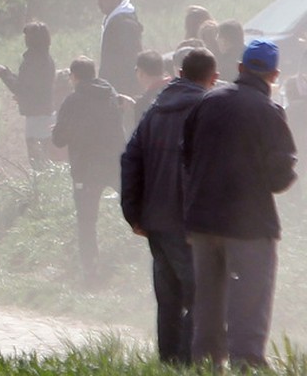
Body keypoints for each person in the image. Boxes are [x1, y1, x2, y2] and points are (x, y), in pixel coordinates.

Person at [182, 39, 298, 370]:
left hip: (203, 222)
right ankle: (245, 363)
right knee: (249, 297)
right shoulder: (269, 112)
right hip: (248, 224)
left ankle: (205, 363)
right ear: (274, 75)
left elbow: (186, 154)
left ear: (240, 68)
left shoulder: (207, 102)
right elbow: (280, 174)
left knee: (208, 298)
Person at [120, 46, 215, 366]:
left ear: (179, 73)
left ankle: (168, 363)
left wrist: (133, 214)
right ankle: (189, 363)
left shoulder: (156, 108)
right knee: (203, 295)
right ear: (211, 78)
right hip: (189, 223)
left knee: (169, 299)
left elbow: (130, 159)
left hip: (155, 221)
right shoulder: (206, 110)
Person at [51, 56, 126, 285]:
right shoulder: (111, 94)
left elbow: (58, 139)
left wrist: (58, 128)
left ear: (74, 77)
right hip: (115, 164)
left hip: (86, 169)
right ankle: (133, 262)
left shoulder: (73, 100)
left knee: (87, 221)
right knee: (134, 212)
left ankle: (91, 274)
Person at [0, 21, 55, 167]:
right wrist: (6, 73)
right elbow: (29, 87)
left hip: (36, 118)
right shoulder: (46, 59)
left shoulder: (32, 61)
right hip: (45, 114)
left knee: (38, 162)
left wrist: (4, 74)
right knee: (45, 160)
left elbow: (21, 88)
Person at [97, 0, 144, 99]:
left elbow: (127, 60)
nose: (99, 3)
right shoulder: (114, 20)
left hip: (123, 90)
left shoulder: (123, 24)